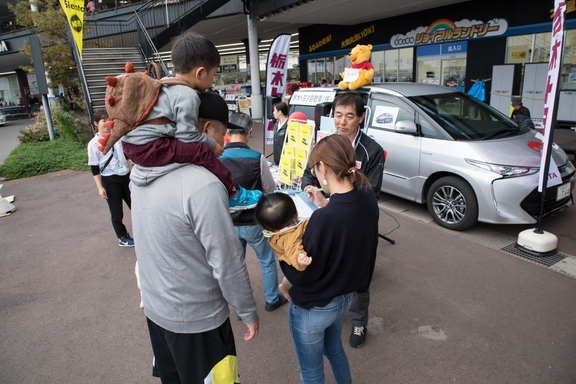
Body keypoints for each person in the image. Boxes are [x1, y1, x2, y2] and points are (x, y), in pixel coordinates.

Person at [130, 90, 259, 383]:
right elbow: (227, 261)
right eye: (223, 133)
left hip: (156, 312)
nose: (225, 143)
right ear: (205, 129)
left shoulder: (140, 171)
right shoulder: (204, 185)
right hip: (199, 323)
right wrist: (247, 310)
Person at [121, 31, 261, 212]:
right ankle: (235, 193)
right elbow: (186, 135)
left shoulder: (164, 84)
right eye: (213, 74)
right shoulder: (187, 94)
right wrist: (211, 145)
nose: (212, 80)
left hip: (132, 146)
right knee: (201, 152)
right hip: (150, 147)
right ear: (201, 73)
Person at [282, 134, 380, 383]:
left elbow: (305, 271)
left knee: (312, 371)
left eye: (316, 169)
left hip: (314, 306)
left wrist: (283, 251)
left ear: (323, 168)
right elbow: (348, 226)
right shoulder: (366, 194)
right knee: (334, 349)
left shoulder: (325, 219)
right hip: (344, 298)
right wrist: (325, 202)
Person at [301, 92, 385, 349]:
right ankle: (335, 312)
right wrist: (310, 189)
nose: (343, 121)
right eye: (338, 115)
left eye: (350, 115)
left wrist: (333, 200)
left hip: (357, 218)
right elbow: (308, 172)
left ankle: (359, 322)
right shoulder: (326, 142)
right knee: (333, 266)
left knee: (358, 270)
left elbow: (373, 192)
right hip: (328, 210)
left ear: (361, 117)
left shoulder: (371, 150)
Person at [218, 112, 288, 312]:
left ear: (228, 132)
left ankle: (242, 308)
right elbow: (270, 188)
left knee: (236, 266)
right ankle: (272, 299)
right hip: (254, 222)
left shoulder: (218, 157)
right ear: (249, 132)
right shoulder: (257, 158)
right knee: (266, 260)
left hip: (229, 222)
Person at [87, 109, 134, 247]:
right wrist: (100, 187)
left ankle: (145, 230)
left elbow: (125, 156)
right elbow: (94, 168)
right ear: (96, 123)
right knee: (116, 211)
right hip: (110, 179)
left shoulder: (117, 137)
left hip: (125, 176)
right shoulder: (93, 144)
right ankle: (122, 237)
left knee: (136, 205)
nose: (107, 123)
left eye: (108, 120)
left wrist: (132, 174)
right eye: (103, 121)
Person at [254, 192, 313, 302]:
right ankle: (284, 288)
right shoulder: (289, 236)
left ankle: (283, 286)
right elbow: (294, 250)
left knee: (289, 277)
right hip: (294, 265)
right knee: (291, 280)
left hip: (287, 262)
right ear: (293, 216)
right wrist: (299, 258)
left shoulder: (277, 230)